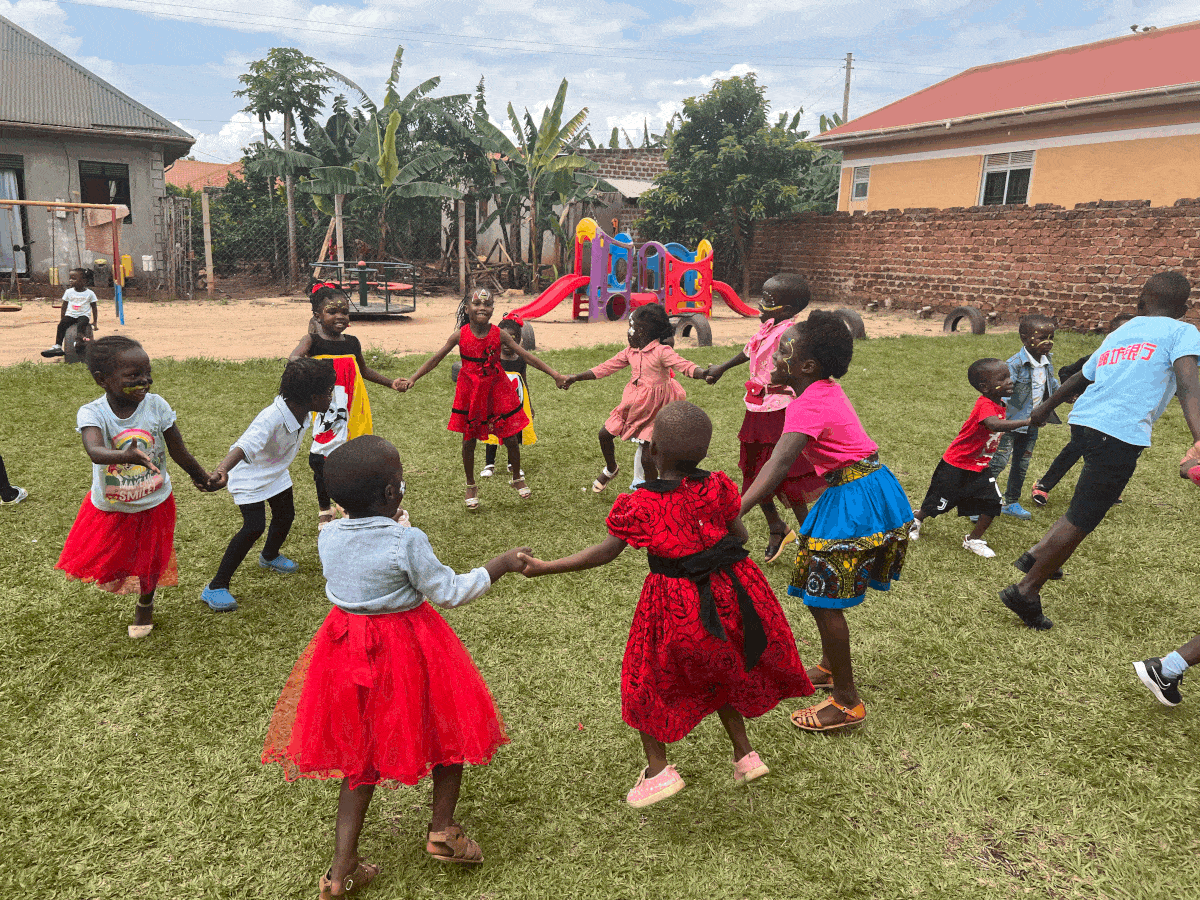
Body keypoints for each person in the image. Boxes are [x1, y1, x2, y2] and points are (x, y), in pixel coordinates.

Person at [261, 436, 527, 892]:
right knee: (448, 731)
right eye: (399, 479)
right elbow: (448, 591)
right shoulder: (406, 540)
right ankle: (442, 831)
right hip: (407, 646)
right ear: (390, 494)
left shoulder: (327, 536)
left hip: (345, 648)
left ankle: (340, 871)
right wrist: (497, 566)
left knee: (358, 758)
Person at [517, 402, 813, 807]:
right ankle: (745, 755)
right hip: (734, 592)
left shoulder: (639, 504)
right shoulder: (720, 486)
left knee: (646, 682)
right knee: (722, 664)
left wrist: (544, 567)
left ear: (652, 451)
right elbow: (739, 535)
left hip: (678, 602)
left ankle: (658, 772)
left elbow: (603, 554)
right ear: (703, 454)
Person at [741, 311, 913, 732]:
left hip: (855, 496)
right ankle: (831, 669)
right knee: (822, 590)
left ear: (807, 367)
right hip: (861, 488)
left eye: (784, 352)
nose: (774, 357)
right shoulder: (817, 391)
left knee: (823, 598)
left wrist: (736, 507)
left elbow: (778, 466)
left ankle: (847, 703)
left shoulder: (808, 404)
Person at [1001, 271, 1200, 630]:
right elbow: (1188, 384)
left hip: (1086, 421)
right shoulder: (1183, 331)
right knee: (1084, 516)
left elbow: (1081, 377)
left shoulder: (1121, 332)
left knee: (1086, 503)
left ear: (1140, 303)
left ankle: (1036, 556)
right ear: (1185, 309)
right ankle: (1026, 591)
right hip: (1119, 433)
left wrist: (1045, 407)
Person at [55, 336, 217, 638]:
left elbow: (178, 451)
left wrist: (201, 476)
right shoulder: (93, 413)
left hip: (155, 500)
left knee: (151, 559)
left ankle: (146, 603)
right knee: (114, 560)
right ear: (101, 379)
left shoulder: (157, 406)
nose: (144, 381)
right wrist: (125, 455)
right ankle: (135, 589)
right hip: (112, 505)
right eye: (133, 375)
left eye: (147, 372)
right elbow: (94, 450)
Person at [396, 289, 565, 509]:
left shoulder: (499, 334)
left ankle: (516, 477)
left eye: (487, 304)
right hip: (471, 392)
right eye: (476, 304)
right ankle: (470, 484)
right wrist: (413, 379)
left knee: (511, 436)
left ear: (493, 309)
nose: (482, 308)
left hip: (497, 388)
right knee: (469, 440)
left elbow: (527, 356)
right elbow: (436, 358)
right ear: (467, 309)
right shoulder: (460, 335)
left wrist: (555, 375)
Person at [199, 358, 337, 612]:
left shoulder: (303, 410)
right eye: (328, 392)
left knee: (286, 515)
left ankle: (269, 556)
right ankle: (216, 586)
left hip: (275, 472)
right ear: (311, 396)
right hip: (250, 476)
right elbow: (244, 445)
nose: (331, 397)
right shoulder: (272, 417)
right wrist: (221, 471)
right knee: (253, 527)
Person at [706, 274, 823, 562]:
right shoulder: (767, 326)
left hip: (781, 408)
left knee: (787, 471)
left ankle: (810, 539)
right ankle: (776, 528)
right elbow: (749, 351)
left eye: (768, 301)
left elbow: (807, 368)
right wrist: (721, 367)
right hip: (756, 408)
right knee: (753, 472)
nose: (759, 305)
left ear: (785, 310)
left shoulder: (792, 334)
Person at [290, 283, 404, 529]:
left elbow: (363, 371)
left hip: (355, 405)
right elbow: (294, 358)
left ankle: (351, 503)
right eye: (332, 311)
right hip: (327, 405)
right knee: (320, 457)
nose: (340, 316)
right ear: (318, 316)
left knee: (355, 454)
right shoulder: (312, 341)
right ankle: (324, 506)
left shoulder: (352, 343)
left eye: (344, 311)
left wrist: (391, 383)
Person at [561, 303, 708, 490]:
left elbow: (684, 365)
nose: (629, 332)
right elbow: (606, 367)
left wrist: (703, 373)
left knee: (648, 458)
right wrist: (576, 377)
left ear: (646, 332)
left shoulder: (661, 352)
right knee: (604, 435)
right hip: (634, 403)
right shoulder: (630, 351)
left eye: (633, 328)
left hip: (657, 407)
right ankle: (611, 468)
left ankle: (652, 494)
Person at [909, 358, 1030, 558]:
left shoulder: (1000, 402)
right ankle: (917, 519)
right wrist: (1026, 422)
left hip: (980, 467)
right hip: (956, 465)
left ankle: (973, 539)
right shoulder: (985, 404)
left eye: (1008, 376)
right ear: (985, 387)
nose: (1010, 381)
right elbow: (993, 425)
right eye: (1003, 378)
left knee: (993, 503)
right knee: (939, 503)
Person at [1031, 314, 1135, 507]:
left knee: (1112, 451)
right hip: (1087, 413)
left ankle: (1108, 491)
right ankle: (1043, 485)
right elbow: (1067, 372)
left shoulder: (1137, 363)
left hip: (1114, 415)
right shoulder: (1099, 356)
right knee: (1077, 447)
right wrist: (1073, 394)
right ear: (1110, 335)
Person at [985, 314, 1059, 520]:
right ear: (1025, 338)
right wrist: (998, 420)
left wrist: (1065, 394)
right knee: (998, 462)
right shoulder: (1015, 365)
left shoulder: (1047, 361)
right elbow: (1002, 393)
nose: (1048, 342)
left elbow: (1050, 384)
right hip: (1010, 424)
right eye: (1042, 337)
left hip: (1032, 424)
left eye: (1051, 337)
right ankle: (978, 501)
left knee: (1021, 463)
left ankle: (1011, 502)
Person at [480, 315, 537, 481]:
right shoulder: (493, 359)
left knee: (516, 432)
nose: (506, 346)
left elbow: (524, 383)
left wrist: (530, 406)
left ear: (519, 340)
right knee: (493, 432)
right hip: (495, 404)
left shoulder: (520, 361)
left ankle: (512, 463)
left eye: (512, 340)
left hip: (516, 404)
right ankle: (489, 464)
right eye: (503, 340)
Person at [42, 268, 98, 358]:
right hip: (71, 315)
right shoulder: (68, 292)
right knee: (61, 326)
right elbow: (64, 306)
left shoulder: (90, 293)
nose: (70, 280)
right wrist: (62, 318)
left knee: (82, 324)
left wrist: (95, 322)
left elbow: (94, 308)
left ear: (84, 280)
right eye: (70, 278)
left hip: (83, 315)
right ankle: (58, 346)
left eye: (74, 278)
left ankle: (79, 342)